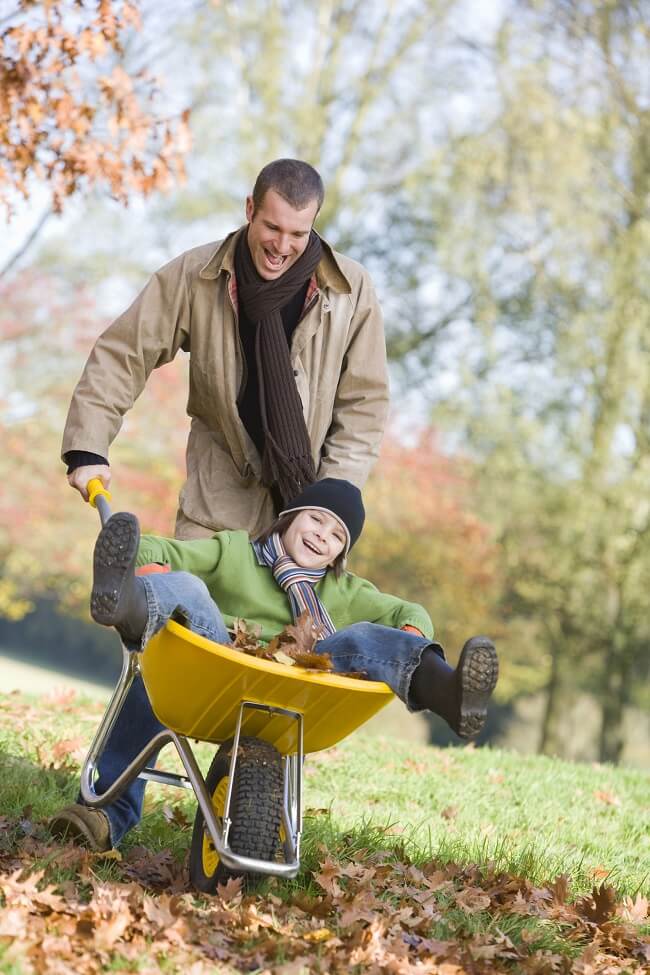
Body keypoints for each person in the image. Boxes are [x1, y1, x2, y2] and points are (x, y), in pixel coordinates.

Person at [50, 479, 498, 852]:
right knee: (187, 589)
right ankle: (126, 609)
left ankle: (451, 695)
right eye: (316, 519)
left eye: (337, 535)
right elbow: (151, 548)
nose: (323, 535)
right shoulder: (235, 552)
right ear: (291, 516)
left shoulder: (347, 590)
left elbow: (411, 612)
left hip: (290, 691)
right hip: (212, 664)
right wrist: (145, 573)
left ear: (340, 552)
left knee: (360, 638)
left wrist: (413, 635)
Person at [62, 158, 389, 539]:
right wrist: (88, 447)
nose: (282, 246)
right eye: (272, 227)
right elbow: (123, 354)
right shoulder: (194, 276)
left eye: (297, 233)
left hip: (308, 519)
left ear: (314, 222)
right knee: (187, 599)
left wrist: (330, 501)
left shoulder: (350, 289)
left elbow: (364, 403)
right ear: (250, 209)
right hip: (214, 510)